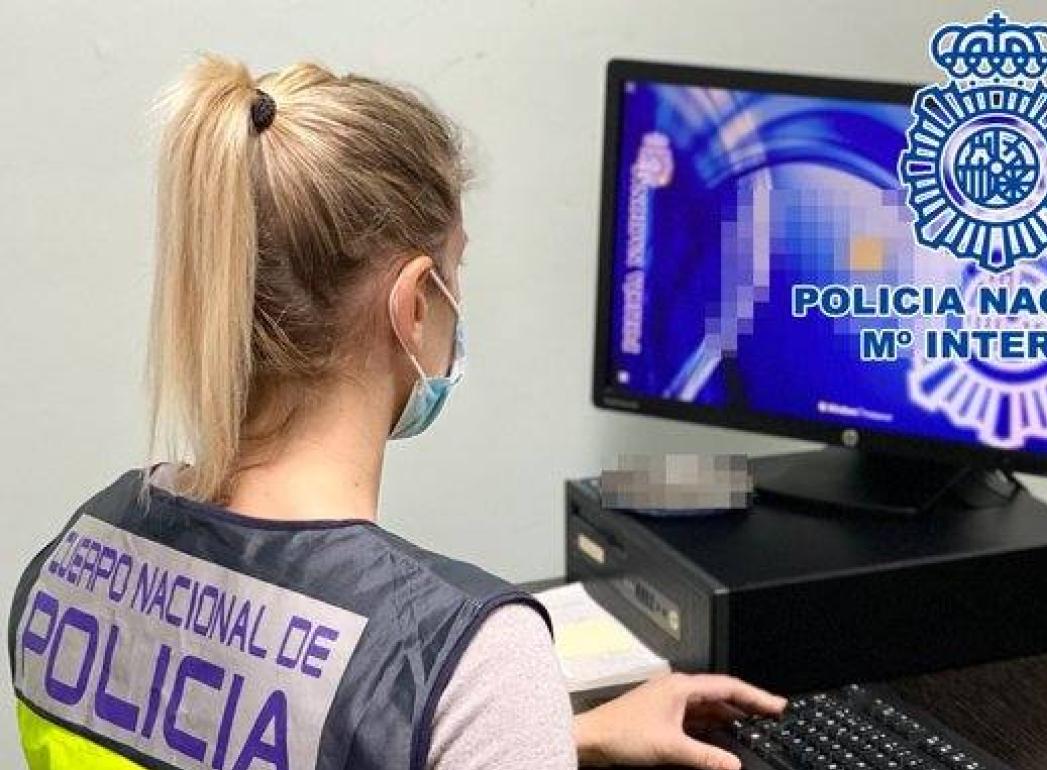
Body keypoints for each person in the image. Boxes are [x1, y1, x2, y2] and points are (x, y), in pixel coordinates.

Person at [7, 54, 784, 770]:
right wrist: (506, 723)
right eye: (455, 270)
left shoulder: (75, 559)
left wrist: (548, 739)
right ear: (413, 304)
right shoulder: (470, 661)